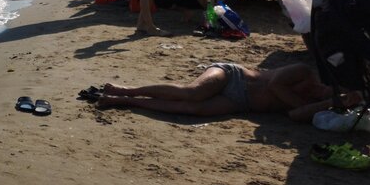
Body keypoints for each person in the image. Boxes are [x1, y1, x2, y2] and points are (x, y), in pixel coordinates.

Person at [96, 63, 334, 121]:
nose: (323, 94)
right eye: (330, 90)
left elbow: (295, 116)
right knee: (193, 93)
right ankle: (128, 90)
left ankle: (125, 102)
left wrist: (324, 105)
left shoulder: (311, 104)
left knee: (193, 110)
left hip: (241, 103)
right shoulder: (303, 72)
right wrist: (303, 104)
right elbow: (274, 86)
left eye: (329, 98)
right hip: (233, 75)